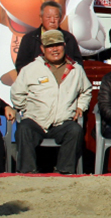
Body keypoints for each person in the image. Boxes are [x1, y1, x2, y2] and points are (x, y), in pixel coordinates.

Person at [10, 29, 91, 173]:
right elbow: (17, 93)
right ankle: (27, 173)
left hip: (62, 122)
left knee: (75, 130)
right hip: (36, 121)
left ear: (64, 45)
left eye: (58, 45)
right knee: (23, 129)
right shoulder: (30, 69)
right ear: (42, 48)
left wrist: (80, 106)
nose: (54, 49)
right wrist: (27, 109)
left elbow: (86, 91)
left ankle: (65, 172)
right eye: (49, 46)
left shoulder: (76, 70)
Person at [14, 1, 83, 72]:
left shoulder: (68, 38)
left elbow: (77, 64)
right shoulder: (29, 38)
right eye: (48, 17)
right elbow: (21, 65)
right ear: (41, 18)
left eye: (56, 17)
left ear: (60, 18)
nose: (52, 21)